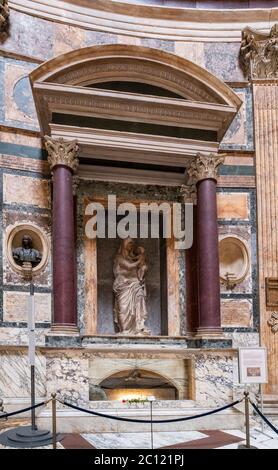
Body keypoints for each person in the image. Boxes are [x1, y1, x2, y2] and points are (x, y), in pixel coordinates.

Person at [113, 238, 150, 335]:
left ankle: (139, 326)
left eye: (132, 244)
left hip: (134, 283)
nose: (131, 245)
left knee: (139, 300)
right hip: (123, 285)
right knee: (123, 307)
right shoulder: (119, 257)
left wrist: (142, 264)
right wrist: (139, 260)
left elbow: (141, 268)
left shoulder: (134, 257)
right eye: (129, 243)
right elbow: (129, 266)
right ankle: (125, 330)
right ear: (124, 245)